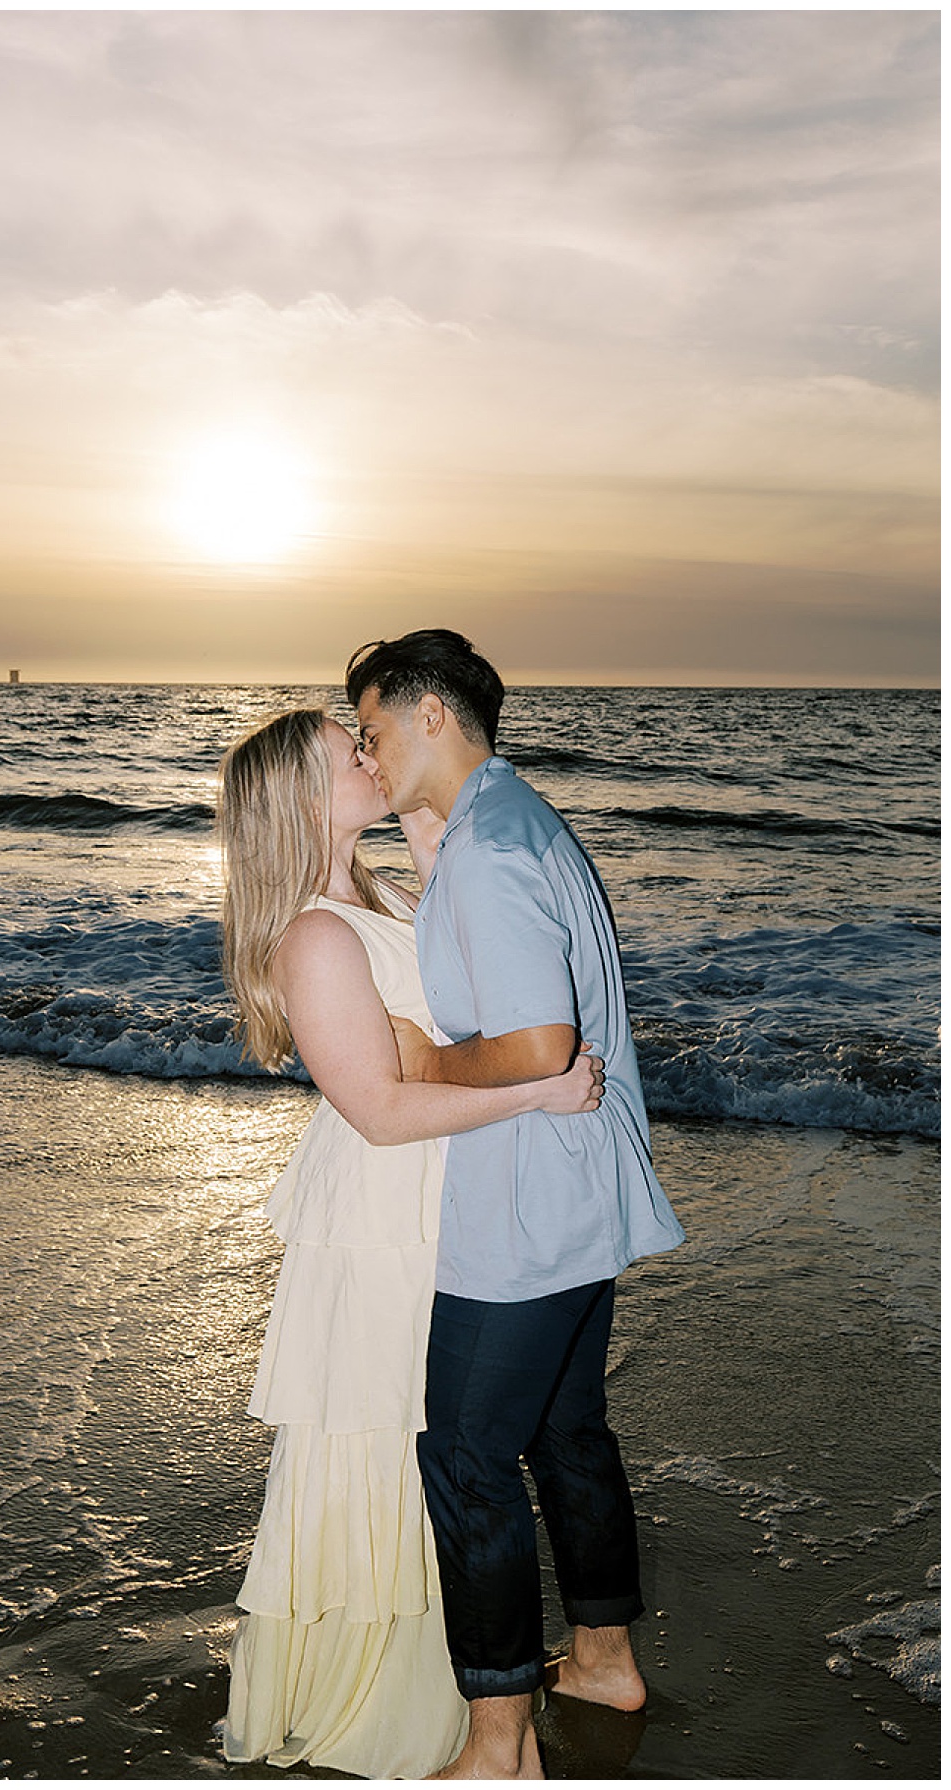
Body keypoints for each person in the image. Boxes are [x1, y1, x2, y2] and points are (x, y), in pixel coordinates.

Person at [216, 707, 605, 1780]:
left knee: (437, 1438)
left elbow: (456, 1015)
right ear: (302, 799)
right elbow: (381, 1109)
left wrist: (433, 849)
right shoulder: (313, 934)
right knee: (396, 1435)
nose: (363, 749)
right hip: (384, 1213)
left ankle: (479, 1693)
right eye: (344, 752)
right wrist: (541, 1089)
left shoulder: (376, 894)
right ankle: (406, 1706)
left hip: (435, 1197)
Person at [347, 630, 686, 1781]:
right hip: (582, 1187)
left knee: (466, 1455)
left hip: (529, 1210)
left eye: (375, 724)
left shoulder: (490, 848)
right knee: (563, 1428)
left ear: (432, 712)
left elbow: (539, 1043)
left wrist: (416, 1064)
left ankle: (498, 1744)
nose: (365, 745)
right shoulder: (513, 818)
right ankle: (601, 1658)